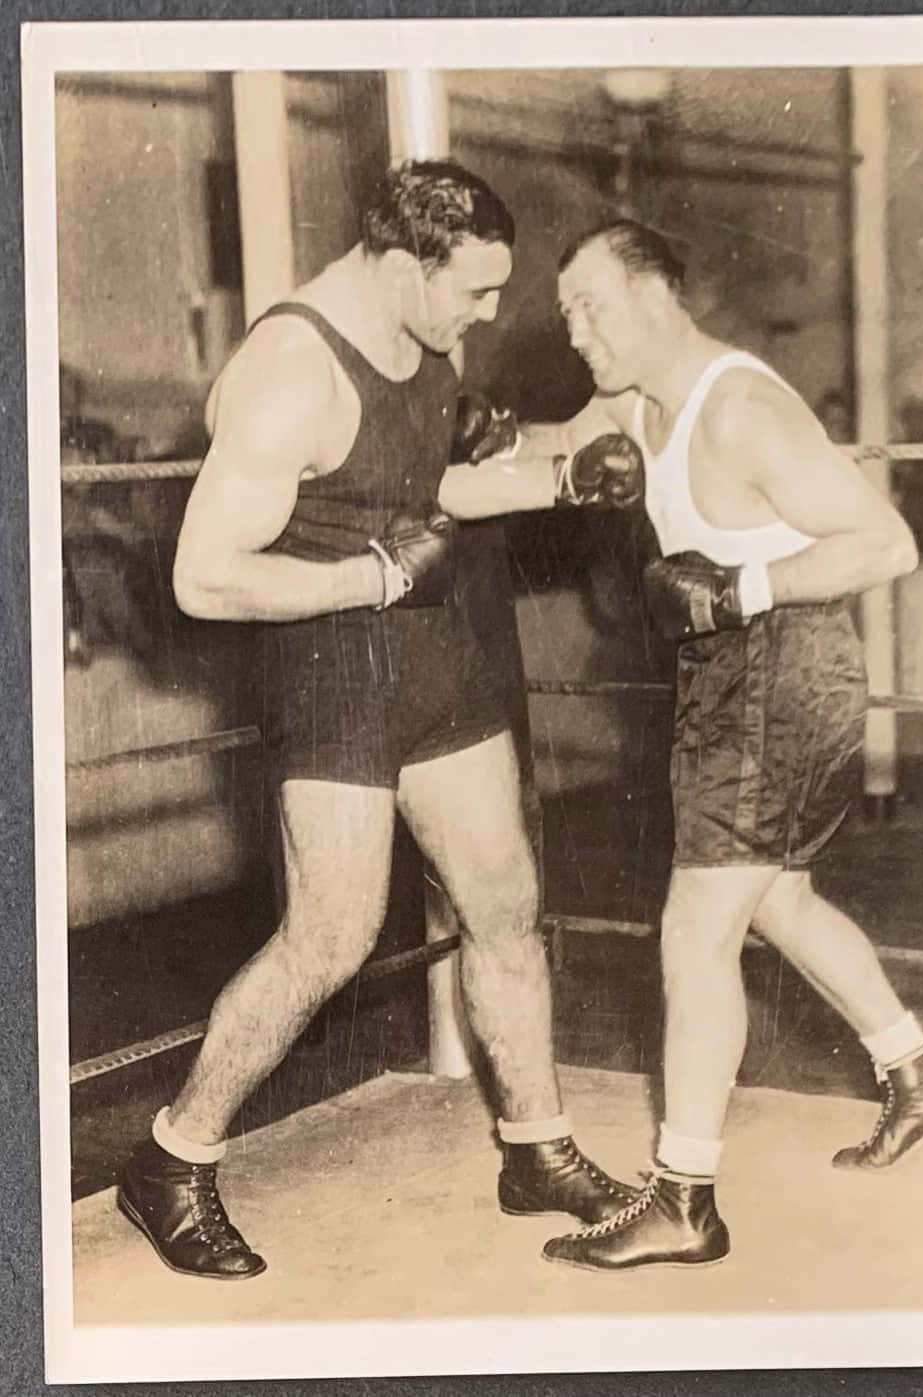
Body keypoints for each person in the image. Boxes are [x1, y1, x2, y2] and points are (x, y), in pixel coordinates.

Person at [118, 162, 639, 1281]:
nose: (489, 314)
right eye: (476, 291)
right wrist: (368, 577)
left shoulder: (427, 333)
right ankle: (171, 1157)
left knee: (506, 901)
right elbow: (203, 579)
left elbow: (426, 491)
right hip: (332, 663)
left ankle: (534, 1146)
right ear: (406, 265)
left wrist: (559, 479)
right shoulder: (288, 371)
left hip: (431, 647)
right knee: (331, 935)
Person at [438, 219, 923, 1273]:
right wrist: (476, 446)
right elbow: (544, 454)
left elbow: (886, 539)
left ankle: (683, 1195)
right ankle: (918, 1074)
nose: (577, 330)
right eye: (567, 313)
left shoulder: (741, 409)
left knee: (694, 929)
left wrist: (746, 583)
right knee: (772, 898)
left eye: (592, 307)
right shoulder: (637, 400)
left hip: (780, 662)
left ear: (654, 298)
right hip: (732, 671)